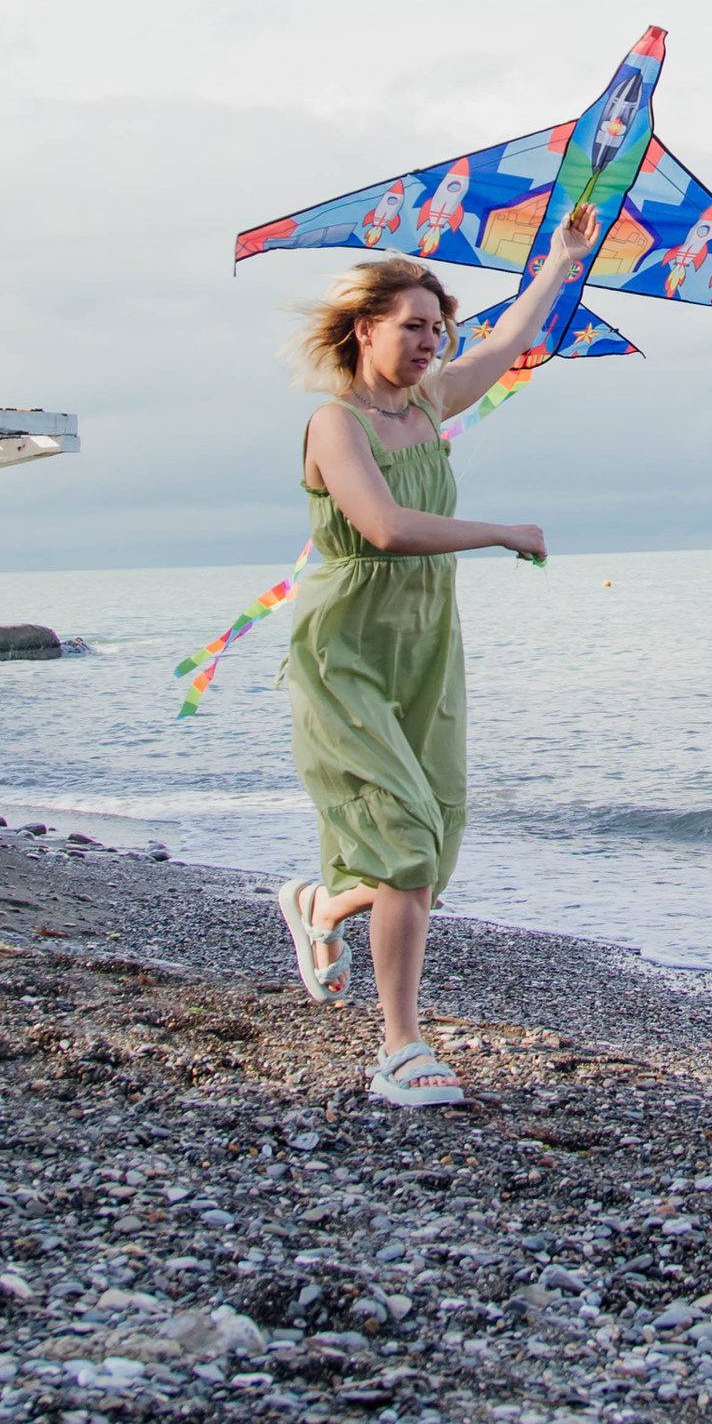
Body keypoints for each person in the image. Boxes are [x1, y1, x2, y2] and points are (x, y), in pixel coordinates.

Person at [273, 192, 603, 1109]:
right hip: (347, 651)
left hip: (425, 645)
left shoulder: (429, 402)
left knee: (431, 832)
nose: (430, 342)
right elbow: (379, 526)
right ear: (363, 331)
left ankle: (324, 906)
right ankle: (400, 1046)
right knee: (405, 841)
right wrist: (498, 530)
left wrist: (562, 260)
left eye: (437, 328)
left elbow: (506, 348)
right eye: (413, 326)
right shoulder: (335, 424)